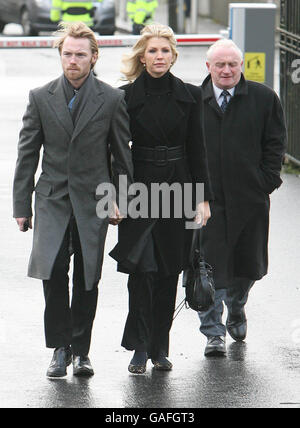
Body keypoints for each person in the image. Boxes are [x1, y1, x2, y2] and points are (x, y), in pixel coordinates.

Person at [13, 22, 133, 377]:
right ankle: (59, 349)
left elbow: (122, 157)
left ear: (94, 57)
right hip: (51, 198)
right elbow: (27, 156)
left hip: (95, 200)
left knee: (87, 277)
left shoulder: (112, 99)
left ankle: (82, 351)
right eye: (67, 54)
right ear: (60, 55)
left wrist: (122, 200)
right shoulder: (40, 96)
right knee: (52, 273)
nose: (73, 60)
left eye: (80, 55)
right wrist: (21, 207)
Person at [109, 23, 213, 374]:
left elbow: (199, 149)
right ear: (142, 55)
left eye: (165, 51)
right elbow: (114, 152)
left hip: (179, 188)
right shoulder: (124, 97)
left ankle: (159, 347)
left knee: (169, 270)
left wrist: (202, 198)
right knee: (141, 270)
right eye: (152, 50)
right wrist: (114, 196)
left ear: (173, 56)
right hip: (138, 189)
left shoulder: (191, 95)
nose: (159, 56)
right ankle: (139, 347)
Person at [198, 39, 287, 357]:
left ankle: (237, 307)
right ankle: (213, 332)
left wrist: (264, 183)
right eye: (219, 64)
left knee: (247, 266)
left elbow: (275, 144)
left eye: (232, 64)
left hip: (249, 199)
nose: (226, 70)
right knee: (208, 269)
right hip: (207, 202)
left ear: (241, 65)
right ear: (208, 67)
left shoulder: (264, 98)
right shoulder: (195, 101)